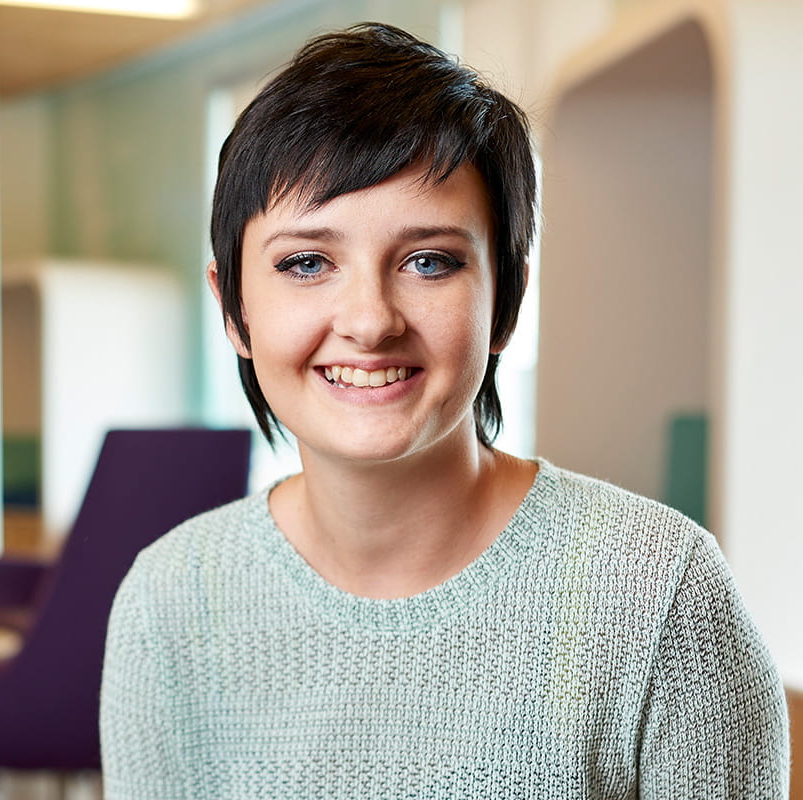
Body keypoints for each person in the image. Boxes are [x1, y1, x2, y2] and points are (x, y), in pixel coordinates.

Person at [99, 22, 788, 799]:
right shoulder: (171, 602)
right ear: (234, 310)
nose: (370, 319)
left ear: (507, 301)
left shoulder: (661, 595)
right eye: (306, 263)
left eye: (430, 261)